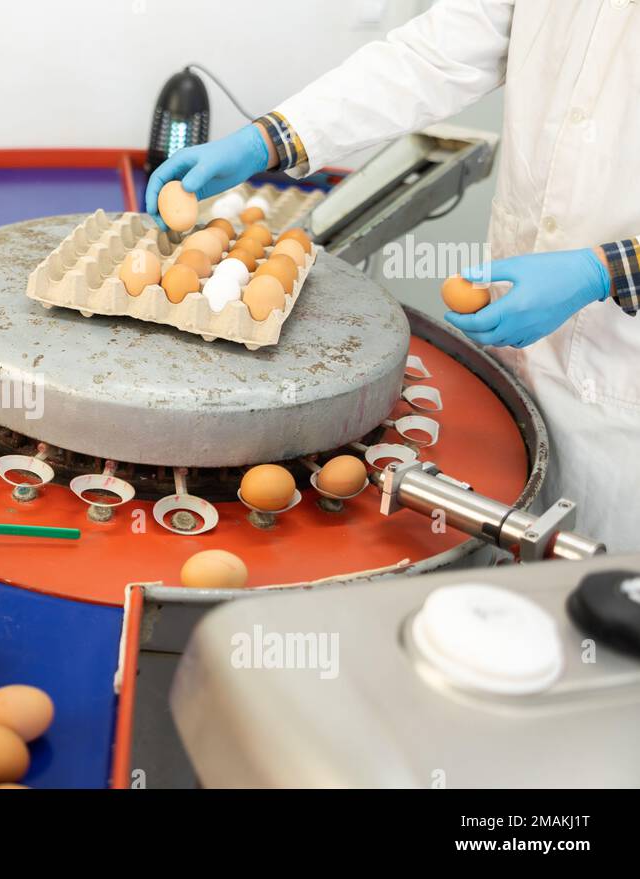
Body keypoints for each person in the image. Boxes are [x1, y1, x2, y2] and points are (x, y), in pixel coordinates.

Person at [146, 0, 640, 552]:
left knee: (604, 602)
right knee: (508, 579)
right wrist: (271, 139)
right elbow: (436, 54)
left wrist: (605, 270)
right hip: (520, 356)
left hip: (623, 391)